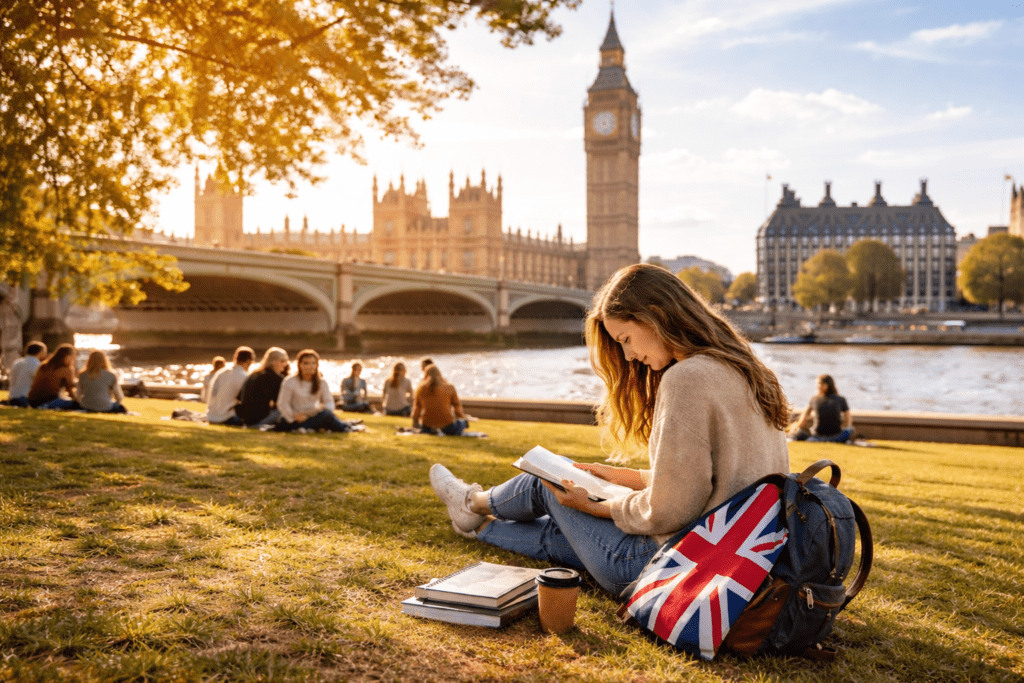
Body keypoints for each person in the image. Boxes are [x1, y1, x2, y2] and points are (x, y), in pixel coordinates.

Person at [428, 263, 791, 596]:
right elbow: (721, 481)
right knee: (560, 529)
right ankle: (477, 526)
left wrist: (599, 505)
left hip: (663, 567)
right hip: (733, 562)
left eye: (626, 339)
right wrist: (626, 477)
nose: (629, 356)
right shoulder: (747, 369)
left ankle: (470, 503)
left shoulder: (687, 378)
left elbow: (671, 510)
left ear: (656, 316)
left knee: (548, 479)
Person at [275, 349, 351, 432]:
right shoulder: (289, 381)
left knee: (326, 415)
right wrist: (294, 416)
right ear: (299, 365)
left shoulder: (322, 382)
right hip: (294, 418)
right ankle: (344, 427)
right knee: (283, 421)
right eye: (306, 363)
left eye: (314, 363)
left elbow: (330, 403)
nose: (311, 366)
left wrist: (314, 412)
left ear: (317, 365)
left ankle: (307, 428)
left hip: (313, 416)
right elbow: (282, 403)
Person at [789, 374, 855, 443]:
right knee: (850, 430)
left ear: (826, 385)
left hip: (817, 437)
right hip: (837, 437)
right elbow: (848, 421)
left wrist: (796, 427)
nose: (817, 386)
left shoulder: (814, 399)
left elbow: (804, 418)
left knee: (799, 431)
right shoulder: (841, 399)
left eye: (819, 383)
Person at [236, 347, 289, 428]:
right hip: (259, 420)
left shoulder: (254, 374)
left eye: (286, 361)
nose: (285, 364)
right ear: (273, 361)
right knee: (285, 411)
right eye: (282, 361)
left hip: (246, 419)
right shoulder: (275, 378)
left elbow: (239, 397)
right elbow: (282, 403)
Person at [413, 363, 468, 435]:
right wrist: (461, 417)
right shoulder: (450, 387)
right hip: (448, 426)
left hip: (427, 427)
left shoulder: (420, 389)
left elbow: (417, 409)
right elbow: (457, 407)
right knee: (464, 422)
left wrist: (415, 422)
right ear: (440, 374)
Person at [206, 346, 254, 426]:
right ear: (249, 361)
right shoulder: (243, 376)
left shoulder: (221, 373)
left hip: (210, 417)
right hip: (226, 418)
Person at [27, 343, 80, 410]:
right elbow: (70, 391)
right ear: (67, 356)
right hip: (49, 401)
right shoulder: (66, 369)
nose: (74, 359)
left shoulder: (44, 365)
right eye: (73, 356)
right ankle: (46, 406)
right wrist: (77, 401)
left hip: (32, 400)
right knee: (76, 404)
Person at [2, 342, 47, 407]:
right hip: (25, 398)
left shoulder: (16, 362)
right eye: (44, 351)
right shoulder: (36, 364)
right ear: (40, 352)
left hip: (12, 397)